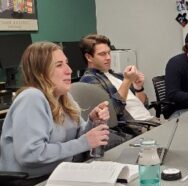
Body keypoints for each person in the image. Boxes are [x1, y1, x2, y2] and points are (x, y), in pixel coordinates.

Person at [0, 42, 110, 178]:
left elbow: (78, 137)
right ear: (40, 72)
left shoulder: (64, 95)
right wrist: (85, 142)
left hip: (59, 174)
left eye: (66, 63)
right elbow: (31, 154)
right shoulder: (32, 98)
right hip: (27, 185)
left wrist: (92, 122)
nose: (69, 70)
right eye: (59, 65)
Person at [79, 34, 158, 124]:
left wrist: (138, 88)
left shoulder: (118, 76)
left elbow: (143, 105)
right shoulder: (89, 80)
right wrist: (127, 81)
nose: (108, 57)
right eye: (102, 54)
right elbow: (113, 113)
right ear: (89, 57)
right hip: (135, 128)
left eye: (109, 53)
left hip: (150, 121)